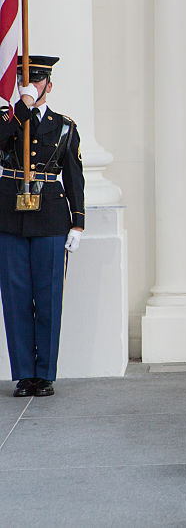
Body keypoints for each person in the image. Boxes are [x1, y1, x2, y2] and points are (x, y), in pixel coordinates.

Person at [0, 55, 84, 397]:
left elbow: (75, 178)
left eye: (38, 82)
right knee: (16, 297)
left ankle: (45, 374)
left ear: (50, 84)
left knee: (49, 297)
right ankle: (24, 374)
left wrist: (77, 224)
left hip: (50, 217)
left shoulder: (64, 126)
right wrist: (21, 107)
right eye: (27, 82)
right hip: (9, 217)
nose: (33, 88)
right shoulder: (8, 119)